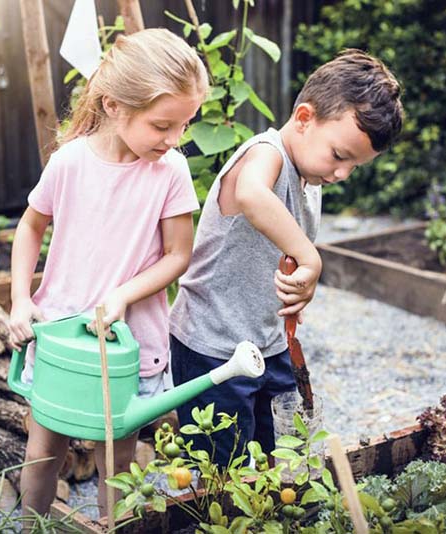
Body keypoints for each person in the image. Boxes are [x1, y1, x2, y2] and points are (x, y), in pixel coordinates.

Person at [7, 28, 208, 519]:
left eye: (184, 125)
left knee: (116, 468)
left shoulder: (171, 171)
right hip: (58, 335)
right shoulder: (70, 162)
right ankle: (31, 527)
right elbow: (30, 227)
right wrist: (18, 298)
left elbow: (178, 255)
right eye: (163, 125)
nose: (175, 139)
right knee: (40, 458)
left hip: (129, 342)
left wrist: (123, 294)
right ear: (116, 106)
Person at [169, 49, 404, 465]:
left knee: (279, 456)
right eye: (339, 155)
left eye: (355, 166)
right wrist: (310, 258)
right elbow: (252, 195)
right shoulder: (267, 153)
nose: (342, 174)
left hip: (268, 343)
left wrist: (293, 293)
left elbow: (276, 258)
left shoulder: (310, 179)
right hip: (214, 346)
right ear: (303, 118)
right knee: (223, 472)